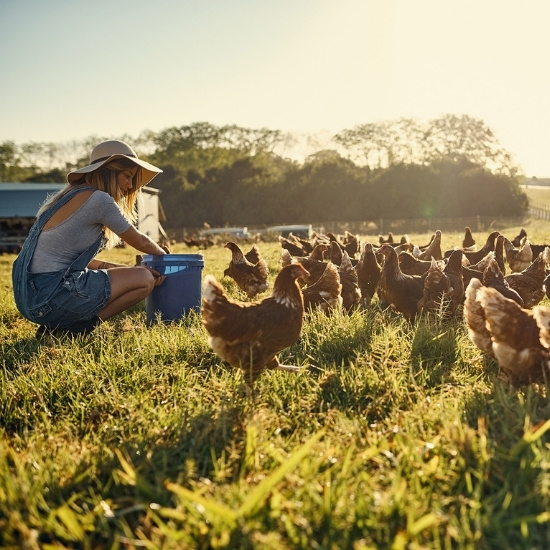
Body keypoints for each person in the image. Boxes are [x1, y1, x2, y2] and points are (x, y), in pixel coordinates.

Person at [12, 140, 168, 337]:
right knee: (145, 279)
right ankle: (82, 327)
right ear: (109, 172)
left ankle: (58, 327)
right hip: (51, 296)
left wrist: (129, 271)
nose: (130, 186)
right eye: (128, 176)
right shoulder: (98, 199)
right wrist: (164, 257)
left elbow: (80, 262)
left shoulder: (67, 198)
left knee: (139, 275)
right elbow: (140, 241)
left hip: (30, 300)